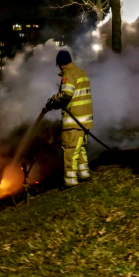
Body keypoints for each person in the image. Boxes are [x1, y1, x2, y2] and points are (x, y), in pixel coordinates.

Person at [44, 50, 93, 187]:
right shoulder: (81, 72)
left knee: (70, 149)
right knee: (79, 148)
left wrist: (55, 98)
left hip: (74, 121)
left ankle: (70, 181)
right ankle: (84, 174)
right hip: (85, 120)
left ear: (60, 64)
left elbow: (67, 94)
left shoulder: (68, 74)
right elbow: (76, 97)